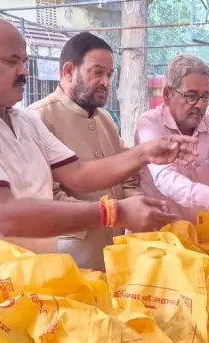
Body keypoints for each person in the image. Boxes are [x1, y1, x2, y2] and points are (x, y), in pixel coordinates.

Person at [0, 14, 197, 254]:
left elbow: (79, 173)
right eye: (11, 62)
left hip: (26, 284)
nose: (24, 71)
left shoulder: (23, 121)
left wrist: (145, 152)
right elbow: (4, 216)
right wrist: (114, 213)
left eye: (24, 60)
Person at [28, 32, 143, 270]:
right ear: (68, 71)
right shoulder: (38, 118)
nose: (105, 82)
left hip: (116, 254)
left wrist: (139, 204)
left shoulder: (106, 120)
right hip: (72, 259)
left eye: (109, 75)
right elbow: (45, 199)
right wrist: (116, 212)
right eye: (97, 72)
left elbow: (127, 176)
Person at [135, 55, 209, 231]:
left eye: (205, 97)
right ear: (167, 95)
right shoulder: (149, 124)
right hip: (159, 234)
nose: (200, 104)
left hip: (203, 231)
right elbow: (165, 178)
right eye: (191, 96)